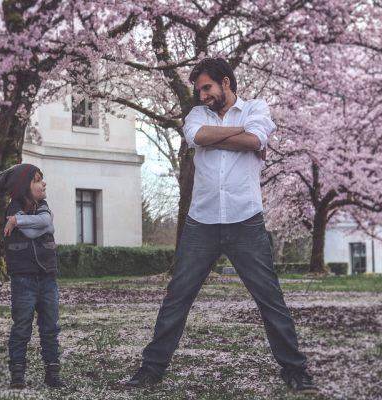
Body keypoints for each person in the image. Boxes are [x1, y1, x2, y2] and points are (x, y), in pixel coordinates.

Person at [125, 58, 318, 393]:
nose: (202, 95)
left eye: (207, 87)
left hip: (246, 221)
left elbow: (255, 141)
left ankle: (295, 369)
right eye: (199, 89)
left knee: (270, 298)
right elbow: (198, 135)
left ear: (226, 82)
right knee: (177, 297)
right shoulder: (197, 115)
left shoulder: (256, 107)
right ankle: (152, 368)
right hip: (202, 222)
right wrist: (238, 134)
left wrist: (228, 138)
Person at [0, 163, 66, 389]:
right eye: (37, 180)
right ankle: (17, 374)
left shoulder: (43, 206)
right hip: (24, 279)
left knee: (50, 327)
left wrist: (22, 222)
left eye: (43, 179)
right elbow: (37, 228)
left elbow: (44, 222)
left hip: (47, 278)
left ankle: (52, 372)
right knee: (22, 327)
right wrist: (34, 222)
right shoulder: (13, 208)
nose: (43, 183)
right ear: (24, 186)